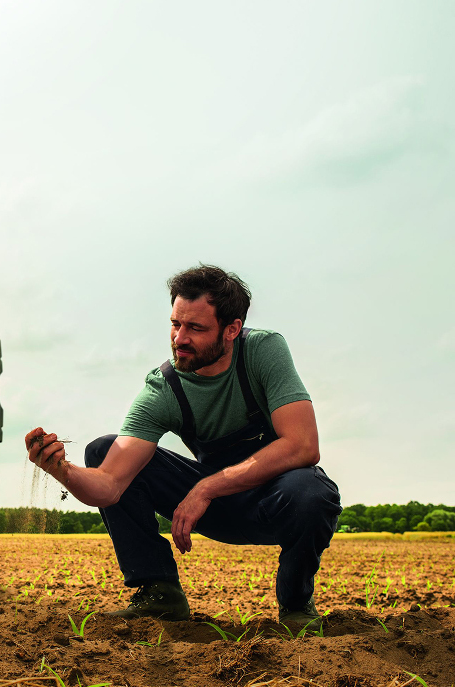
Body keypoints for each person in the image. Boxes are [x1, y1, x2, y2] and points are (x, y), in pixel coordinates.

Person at [26, 264, 341, 629]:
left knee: (311, 490)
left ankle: (297, 606)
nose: (180, 338)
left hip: (275, 505)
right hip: (217, 510)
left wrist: (206, 487)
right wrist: (61, 470)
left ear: (232, 330)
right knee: (101, 451)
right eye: (176, 324)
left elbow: (303, 446)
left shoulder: (263, 351)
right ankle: (161, 594)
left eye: (196, 328)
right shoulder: (164, 388)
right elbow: (109, 485)